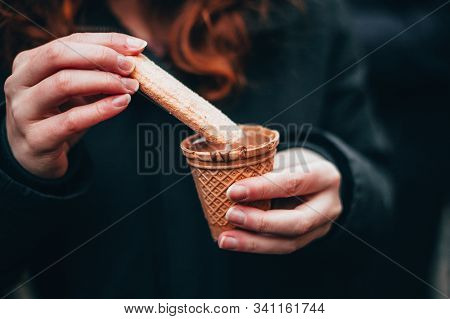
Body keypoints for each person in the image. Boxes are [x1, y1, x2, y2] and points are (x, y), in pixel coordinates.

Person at [0, 0, 392, 298]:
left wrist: (344, 185)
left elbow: (383, 191)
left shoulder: (309, 14)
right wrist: (18, 169)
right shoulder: (15, 30)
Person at [347, 0, 450, 298]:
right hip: (333, 120)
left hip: (410, 137)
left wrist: (325, 29)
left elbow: (439, 33)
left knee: (395, 274)